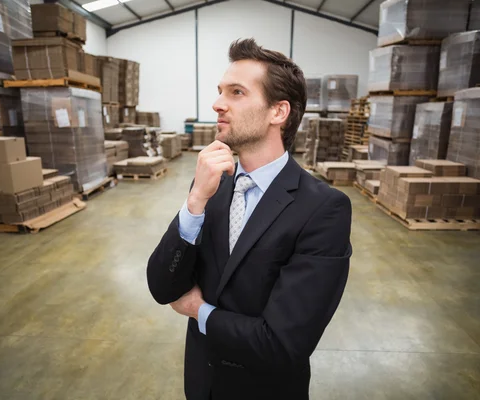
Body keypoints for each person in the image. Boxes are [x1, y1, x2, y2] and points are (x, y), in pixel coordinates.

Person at [147, 38, 352, 400]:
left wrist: (198, 310)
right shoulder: (211, 186)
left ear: (279, 112)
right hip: (202, 382)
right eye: (220, 91)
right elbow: (162, 287)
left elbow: (282, 344)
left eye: (237, 92)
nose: (217, 104)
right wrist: (195, 202)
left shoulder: (323, 209)